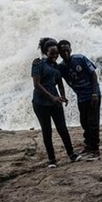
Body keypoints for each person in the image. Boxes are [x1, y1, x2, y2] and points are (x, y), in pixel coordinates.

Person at [32, 38, 81, 167]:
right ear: (45, 52)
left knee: (62, 129)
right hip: (40, 103)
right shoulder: (38, 64)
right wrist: (52, 98)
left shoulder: (57, 67)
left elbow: (60, 84)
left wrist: (63, 96)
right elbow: (37, 85)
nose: (55, 56)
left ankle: (71, 154)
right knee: (46, 130)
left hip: (55, 102)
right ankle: (52, 159)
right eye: (52, 53)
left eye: (56, 54)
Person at [57, 39, 101, 161]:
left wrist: (94, 93)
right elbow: (57, 79)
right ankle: (88, 144)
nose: (65, 52)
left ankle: (95, 149)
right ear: (59, 53)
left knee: (93, 122)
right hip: (81, 97)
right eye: (62, 51)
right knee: (84, 121)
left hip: (92, 95)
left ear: (71, 49)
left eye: (67, 49)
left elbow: (93, 75)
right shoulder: (61, 67)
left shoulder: (80, 58)